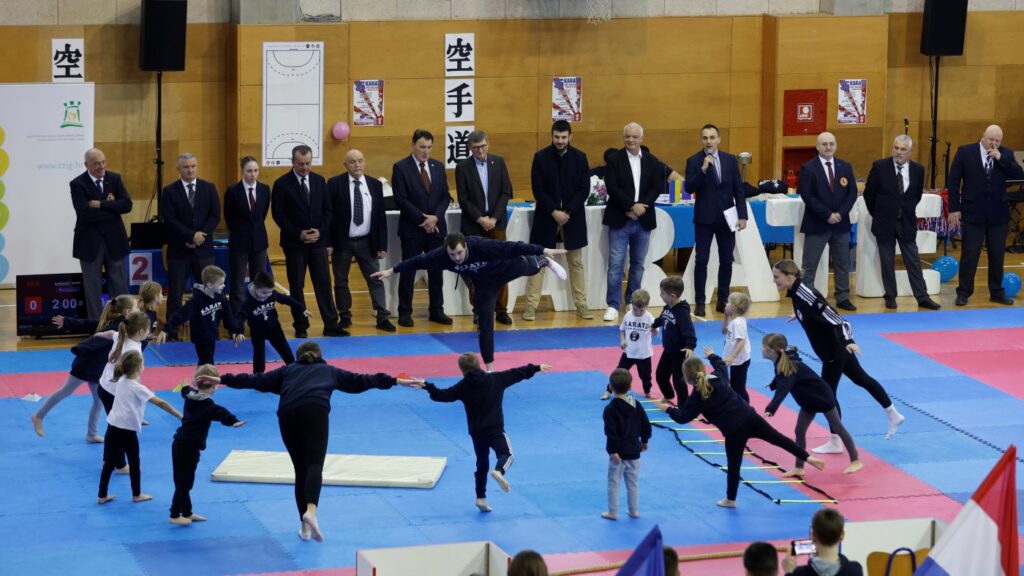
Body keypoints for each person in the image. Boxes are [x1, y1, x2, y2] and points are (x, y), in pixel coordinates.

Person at [198, 342, 422, 542]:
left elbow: (255, 380)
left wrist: (222, 379)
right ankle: (311, 512)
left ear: (298, 357)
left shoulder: (287, 371)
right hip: (315, 409)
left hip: (287, 415)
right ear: (320, 356)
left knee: (300, 471)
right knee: (314, 464)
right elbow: (362, 380)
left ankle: (304, 528)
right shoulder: (328, 371)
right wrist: (394, 381)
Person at [657, 346, 825, 508]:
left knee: (734, 466)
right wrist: (711, 356)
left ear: (687, 378)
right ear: (702, 369)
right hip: (750, 417)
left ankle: (731, 500)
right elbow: (721, 364)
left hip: (734, 431)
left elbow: (683, 418)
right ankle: (809, 458)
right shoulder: (718, 377)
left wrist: (668, 409)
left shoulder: (696, 398)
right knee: (779, 439)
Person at [373, 233, 567, 372]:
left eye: (459, 253)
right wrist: (391, 271)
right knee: (484, 323)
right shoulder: (442, 256)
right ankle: (490, 368)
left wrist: (542, 250)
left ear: (465, 246)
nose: (457, 258)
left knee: (529, 266)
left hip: (505, 268)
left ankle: (545, 261)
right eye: (452, 255)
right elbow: (418, 261)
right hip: (484, 285)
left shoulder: (482, 245)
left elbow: (513, 246)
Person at [772, 259, 904, 452]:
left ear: (790, 276)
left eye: (776, 277)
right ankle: (893, 413)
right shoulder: (796, 292)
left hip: (834, 351)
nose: (774, 280)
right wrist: (799, 315)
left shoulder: (807, 294)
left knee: (827, 394)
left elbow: (840, 321)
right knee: (861, 378)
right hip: (833, 350)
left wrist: (848, 340)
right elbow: (812, 311)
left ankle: (835, 441)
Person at [421, 353, 550, 512]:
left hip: (476, 432)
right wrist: (536, 368)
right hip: (495, 429)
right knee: (507, 454)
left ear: (462, 370)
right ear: (479, 365)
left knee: (482, 463)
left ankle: (480, 498)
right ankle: (499, 471)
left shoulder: (463, 386)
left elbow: (441, 395)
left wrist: (427, 385)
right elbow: (517, 373)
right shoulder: (496, 378)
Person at [31, 294, 138, 441]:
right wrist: (80, 348)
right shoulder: (115, 326)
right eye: (136, 308)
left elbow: (87, 324)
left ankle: (91, 434)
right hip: (85, 365)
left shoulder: (115, 323)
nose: (138, 311)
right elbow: (94, 338)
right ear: (127, 311)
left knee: (98, 401)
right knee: (66, 391)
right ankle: (38, 416)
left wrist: (67, 322)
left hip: (96, 368)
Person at [761, 333, 862, 476]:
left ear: (771, 351)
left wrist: (771, 408)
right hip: (808, 400)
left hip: (822, 397)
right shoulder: (783, 362)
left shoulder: (790, 365)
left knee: (837, 427)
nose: (761, 349)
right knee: (799, 431)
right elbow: (781, 378)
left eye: (763, 347)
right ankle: (799, 467)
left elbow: (783, 389)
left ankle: (856, 460)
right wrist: (773, 384)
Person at [271, 144, 344, 338]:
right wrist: (299, 233)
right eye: (301, 164)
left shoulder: (319, 181)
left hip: (318, 243)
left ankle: (331, 325)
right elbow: (279, 215)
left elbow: (328, 211)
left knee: (324, 284)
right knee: (297, 286)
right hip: (295, 244)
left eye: (308, 163)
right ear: (293, 162)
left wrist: (320, 232)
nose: (305, 167)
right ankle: (301, 326)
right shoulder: (281, 184)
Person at [947, 124, 1024, 306]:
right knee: (970, 254)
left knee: (997, 255)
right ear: (983, 136)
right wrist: (954, 208)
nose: (994, 143)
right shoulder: (965, 152)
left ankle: (996, 292)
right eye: (991, 139)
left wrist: (1001, 158)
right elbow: (953, 181)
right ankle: (964, 292)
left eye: (998, 141)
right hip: (973, 212)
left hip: (998, 214)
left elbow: (1019, 174)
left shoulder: (1006, 153)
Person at [525, 120, 593, 321]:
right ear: (552, 136)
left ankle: (581, 305)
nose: (560, 141)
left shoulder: (580, 158)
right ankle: (530, 306)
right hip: (546, 216)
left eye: (564, 137)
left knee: (576, 263)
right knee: (539, 261)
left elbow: (584, 189)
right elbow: (538, 189)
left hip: (573, 217)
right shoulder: (540, 157)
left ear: (570, 137)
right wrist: (554, 211)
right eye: (557, 137)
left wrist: (568, 210)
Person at [863, 135, 941, 311]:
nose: (898, 152)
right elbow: (869, 194)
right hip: (884, 223)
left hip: (906, 222)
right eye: (896, 148)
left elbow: (916, 196)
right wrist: (879, 214)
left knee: (913, 260)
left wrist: (904, 210)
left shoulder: (918, 170)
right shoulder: (879, 167)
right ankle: (890, 296)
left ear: (910, 152)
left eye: (903, 149)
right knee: (887, 261)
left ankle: (922, 297)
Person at [97, 351, 183, 505]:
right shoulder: (138, 388)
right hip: (127, 431)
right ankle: (136, 494)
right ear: (138, 368)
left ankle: (102, 495)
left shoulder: (121, 380)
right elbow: (161, 403)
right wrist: (179, 415)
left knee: (109, 462)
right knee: (134, 462)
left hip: (112, 426)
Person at [602, 122, 667, 322]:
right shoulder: (614, 160)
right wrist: (631, 206)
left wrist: (641, 207)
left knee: (638, 264)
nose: (630, 140)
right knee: (615, 265)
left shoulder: (652, 161)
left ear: (641, 139)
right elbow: (612, 187)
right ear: (623, 138)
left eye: (634, 137)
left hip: (643, 220)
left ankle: (631, 301)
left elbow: (657, 187)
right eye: (627, 136)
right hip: (620, 219)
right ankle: (613, 305)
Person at [327, 149, 394, 332]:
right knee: (341, 280)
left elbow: (380, 217)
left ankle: (382, 317)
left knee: (376, 278)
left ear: (364, 162)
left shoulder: (375, 184)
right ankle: (345, 315)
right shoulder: (334, 184)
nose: (357, 165)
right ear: (345, 165)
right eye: (352, 161)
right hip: (343, 242)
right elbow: (328, 215)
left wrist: (382, 245)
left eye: (360, 160)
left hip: (367, 241)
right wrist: (328, 242)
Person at [169, 364, 245, 526]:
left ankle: (186, 512)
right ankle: (174, 515)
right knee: (185, 482)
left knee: (182, 480)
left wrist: (185, 385)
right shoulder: (209, 405)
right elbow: (222, 413)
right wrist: (234, 421)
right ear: (214, 384)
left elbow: (185, 390)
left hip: (179, 443)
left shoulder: (190, 395)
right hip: (189, 446)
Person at [685, 124, 748, 317]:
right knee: (701, 260)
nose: (708, 141)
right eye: (705, 138)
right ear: (701, 140)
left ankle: (722, 300)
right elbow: (689, 188)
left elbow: (738, 189)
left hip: (727, 218)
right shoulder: (694, 160)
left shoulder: (730, 160)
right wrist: (703, 169)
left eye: (712, 137)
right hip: (704, 218)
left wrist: (742, 215)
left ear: (719, 139)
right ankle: (700, 302)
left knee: (727, 260)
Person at [391, 129, 452, 327]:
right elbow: (401, 199)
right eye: (422, 147)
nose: (425, 151)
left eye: (429, 147)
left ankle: (437, 310)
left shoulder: (437, 166)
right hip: (412, 228)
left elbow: (445, 196)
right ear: (413, 145)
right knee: (409, 271)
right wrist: (423, 219)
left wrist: (435, 218)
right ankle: (405, 312)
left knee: (436, 271)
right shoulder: (401, 167)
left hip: (436, 228)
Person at [160, 153, 221, 341]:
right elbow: (169, 219)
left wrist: (200, 235)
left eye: (193, 166)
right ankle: (172, 332)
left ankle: (208, 328)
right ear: (179, 169)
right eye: (186, 167)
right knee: (175, 293)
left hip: (204, 250)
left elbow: (215, 215)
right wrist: (190, 235)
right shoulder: (169, 191)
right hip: (179, 250)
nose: (190, 170)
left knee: (208, 291)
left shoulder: (209, 188)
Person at [456, 130, 514, 326]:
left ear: (488, 144)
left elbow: (506, 192)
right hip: (474, 224)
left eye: (483, 146)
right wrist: (481, 219)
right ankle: (479, 310)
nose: (480, 151)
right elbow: (463, 198)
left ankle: (501, 309)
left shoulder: (499, 162)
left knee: (501, 265)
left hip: (496, 223)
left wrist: (494, 218)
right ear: (469, 148)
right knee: (475, 268)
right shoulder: (462, 167)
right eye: (475, 148)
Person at [797, 132, 858, 311]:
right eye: (824, 144)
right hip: (817, 223)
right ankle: (805, 299)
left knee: (842, 263)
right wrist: (827, 215)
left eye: (831, 143)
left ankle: (843, 297)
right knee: (810, 265)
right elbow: (807, 195)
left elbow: (852, 193)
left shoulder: (845, 166)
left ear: (836, 145)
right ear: (817, 146)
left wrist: (840, 213)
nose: (828, 147)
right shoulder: (808, 168)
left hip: (840, 223)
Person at [71, 147, 132, 322]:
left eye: (103, 162)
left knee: (119, 285)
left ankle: (123, 324)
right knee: (92, 287)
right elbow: (85, 214)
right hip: (89, 243)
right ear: (87, 165)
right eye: (97, 163)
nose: (101, 166)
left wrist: (101, 204)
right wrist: (113, 211)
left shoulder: (115, 178)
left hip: (115, 241)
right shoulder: (77, 184)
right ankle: (96, 325)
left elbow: (127, 205)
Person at [162, 265, 245, 366]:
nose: (224, 286)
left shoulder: (221, 297)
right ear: (209, 285)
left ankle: (200, 375)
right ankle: (206, 375)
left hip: (212, 335)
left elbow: (228, 316)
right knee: (208, 362)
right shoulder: (196, 301)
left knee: (204, 363)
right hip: (200, 338)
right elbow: (180, 315)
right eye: (220, 284)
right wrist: (166, 329)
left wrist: (236, 330)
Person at [601, 368, 651, 520]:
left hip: (618, 453)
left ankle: (613, 512)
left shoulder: (610, 409)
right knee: (633, 483)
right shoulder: (636, 404)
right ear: (630, 386)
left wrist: (612, 450)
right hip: (634, 450)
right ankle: (634, 510)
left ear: (611, 387)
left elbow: (610, 433)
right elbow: (645, 424)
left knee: (613, 482)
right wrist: (644, 440)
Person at [224, 156, 271, 318]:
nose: (253, 174)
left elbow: (262, 214)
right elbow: (229, 216)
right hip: (239, 242)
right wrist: (241, 231)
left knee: (259, 282)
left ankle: (257, 316)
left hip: (259, 242)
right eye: (249, 171)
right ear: (242, 171)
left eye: (256, 170)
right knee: (237, 283)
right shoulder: (232, 191)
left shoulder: (265, 189)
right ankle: (237, 319)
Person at [243, 270, 308, 374]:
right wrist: (237, 330)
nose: (267, 295)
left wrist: (301, 308)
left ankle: (294, 370)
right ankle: (258, 376)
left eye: (270, 292)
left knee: (285, 350)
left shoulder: (271, 294)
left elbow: (286, 299)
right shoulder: (248, 299)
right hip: (257, 330)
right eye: (264, 293)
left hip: (274, 327)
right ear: (255, 288)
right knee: (259, 355)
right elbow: (240, 315)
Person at [602, 289, 656, 400]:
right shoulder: (628, 315)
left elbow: (655, 334)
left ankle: (647, 391)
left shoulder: (649, 317)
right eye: (635, 309)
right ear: (632, 304)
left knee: (646, 376)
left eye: (641, 310)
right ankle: (608, 390)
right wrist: (622, 340)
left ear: (647, 306)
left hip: (644, 355)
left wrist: (653, 328)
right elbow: (622, 330)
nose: (638, 312)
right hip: (628, 353)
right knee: (618, 373)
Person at [652, 276, 697, 403]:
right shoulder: (668, 306)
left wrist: (690, 346)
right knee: (660, 375)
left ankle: (683, 405)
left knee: (678, 381)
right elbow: (662, 318)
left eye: (662, 293)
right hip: (668, 350)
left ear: (672, 296)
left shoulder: (682, 312)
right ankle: (669, 395)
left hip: (680, 352)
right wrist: (653, 325)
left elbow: (689, 330)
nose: (660, 295)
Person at [782, 508, 864, 576]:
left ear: (813, 535)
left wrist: (789, 572)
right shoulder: (855, 569)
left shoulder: (800, 573)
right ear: (842, 535)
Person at [722, 291, 752, 403]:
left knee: (738, 387)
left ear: (734, 306)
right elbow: (724, 331)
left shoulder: (738, 322)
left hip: (740, 360)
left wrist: (732, 356)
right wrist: (725, 316)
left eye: (728, 302)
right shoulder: (733, 320)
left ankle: (746, 408)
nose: (726, 304)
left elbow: (741, 341)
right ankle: (740, 406)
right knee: (734, 385)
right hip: (736, 360)